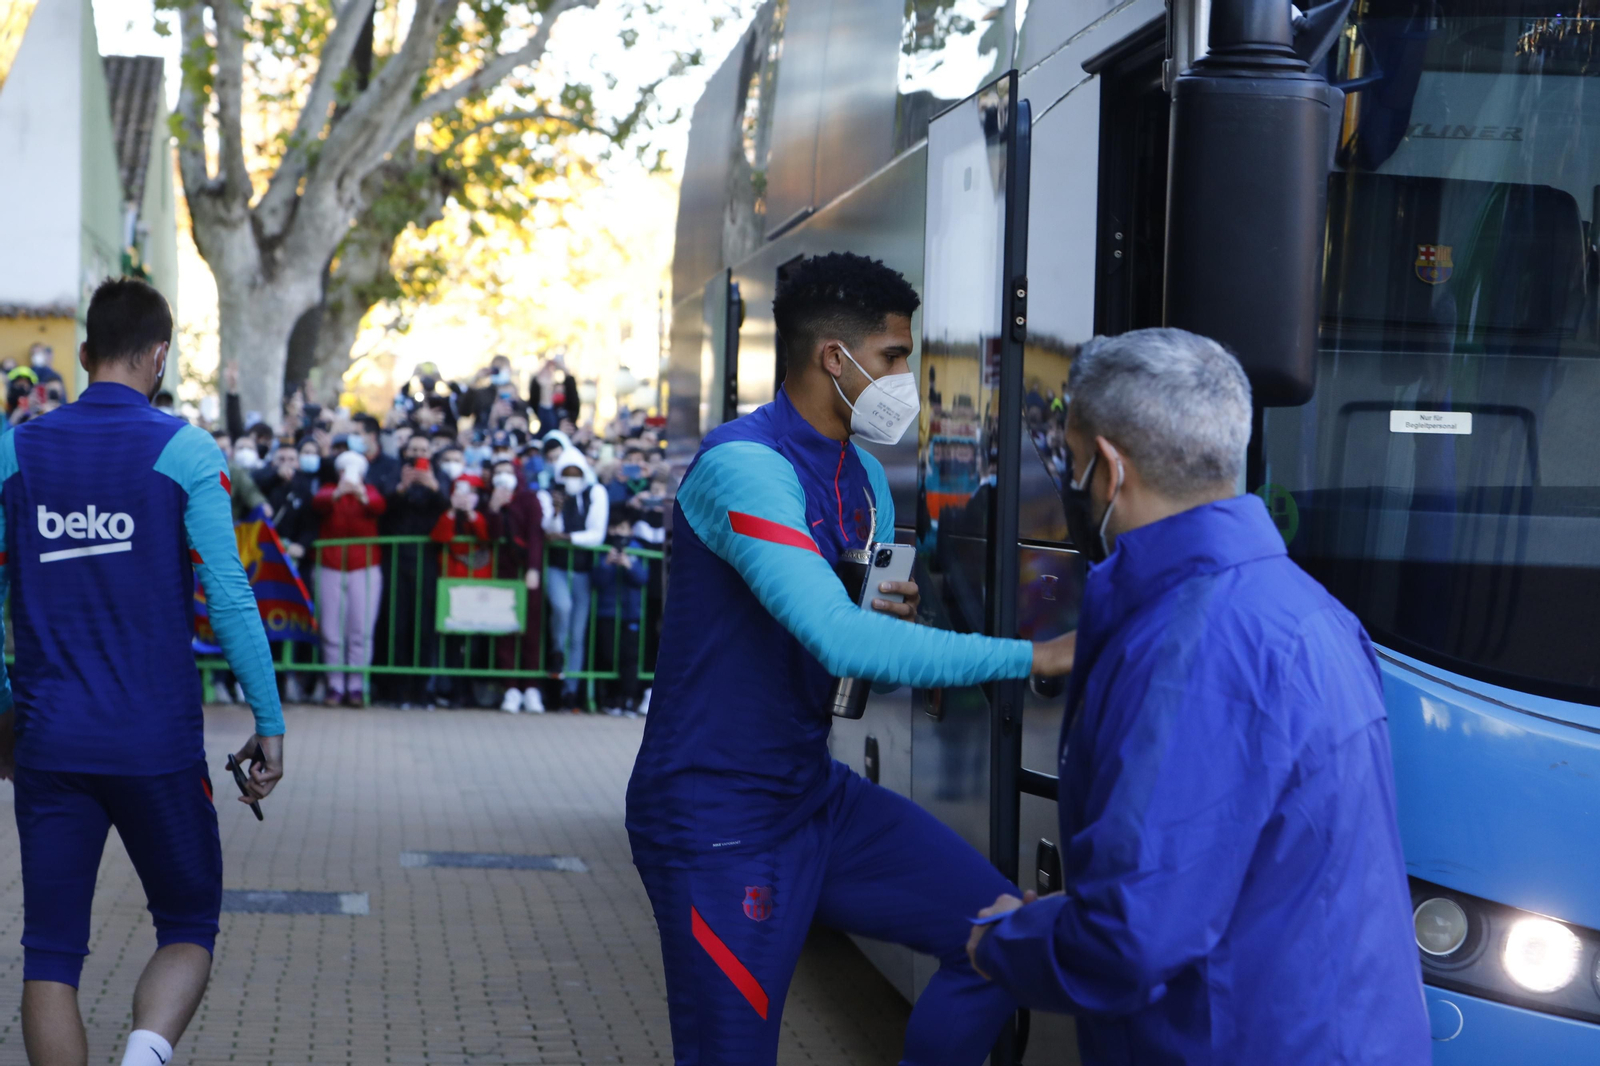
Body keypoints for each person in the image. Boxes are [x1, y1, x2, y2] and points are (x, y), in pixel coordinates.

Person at [624, 252, 1076, 1066]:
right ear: (834, 357)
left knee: (1000, 937)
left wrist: (874, 613)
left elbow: (842, 633)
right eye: (894, 357)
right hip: (715, 818)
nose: (906, 377)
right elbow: (836, 637)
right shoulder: (741, 467)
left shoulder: (864, 474)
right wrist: (1034, 655)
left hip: (811, 795)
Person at [965, 329, 1429, 1063]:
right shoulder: (1310, 613)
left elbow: (1131, 939)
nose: (1079, 490)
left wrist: (1004, 942)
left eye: (1077, 467)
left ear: (1112, 469)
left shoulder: (1192, 650)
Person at [0, 278, 284, 1066]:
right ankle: (145, 1056)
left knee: (51, 955)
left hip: (49, 743)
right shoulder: (186, 450)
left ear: (83, 354)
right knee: (188, 924)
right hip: (155, 744)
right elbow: (228, 597)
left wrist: (2, 717)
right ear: (160, 355)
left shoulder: (14, 449)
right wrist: (269, 721)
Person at [312, 450, 386, 706]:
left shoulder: (370, 492)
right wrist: (338, 492)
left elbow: (378, 506)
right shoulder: (329, 490)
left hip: (364, 567)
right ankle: (334, 685)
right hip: (330, 566)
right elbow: (319, 503)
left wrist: (361, 493)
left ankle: (356, 685)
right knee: (331, 630)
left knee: (361, 630)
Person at [382, 434, 449, 707]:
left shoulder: (440, 476)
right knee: (397, 625)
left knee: (423, 626)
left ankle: (422, 690)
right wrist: (402, 487)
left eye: (423, 449)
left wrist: (433, 487)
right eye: (413, 449)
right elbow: (383, 513)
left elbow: (448, 510)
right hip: (397, 560)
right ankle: (397, 690)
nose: (418, 454)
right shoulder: (393, 473)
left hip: (427, 561)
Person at [538, 448, 608, 710]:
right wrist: (557, 512)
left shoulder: (595, 493)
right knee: (562, 608)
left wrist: (568, 538)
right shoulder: (549, 493)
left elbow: (596, 535)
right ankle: (556, 658)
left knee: (577, 633)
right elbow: (549, 531)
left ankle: (571, 691)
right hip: (556, 566)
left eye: (575, 473)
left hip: (582, 570)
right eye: (566, 473)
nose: (571, 478)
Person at [486, 457, 544, 714]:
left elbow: (535, 534)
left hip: (527, 574)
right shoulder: (490, 500)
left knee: (531, 632)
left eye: (507, 472)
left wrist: (533, 568)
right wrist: (495, 510)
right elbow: (492, 536)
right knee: (505, 632)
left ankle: (531, 687)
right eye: (498, 473)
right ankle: (510, 688)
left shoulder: (529, 499)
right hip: (503, 573)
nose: (503, 477)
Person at [591, 512, 648, 716]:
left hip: (630, 613)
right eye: (614, 528)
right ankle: (610, 699)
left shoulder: (637, 549)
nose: (618, 533)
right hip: (607, 612)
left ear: (630, 531)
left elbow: (642, 578)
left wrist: (629, 565)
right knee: (607, 654)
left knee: (629, 657)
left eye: (622, 528)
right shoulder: (602, 549)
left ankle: (628, 699)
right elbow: (597, 581)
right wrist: (607, 564)